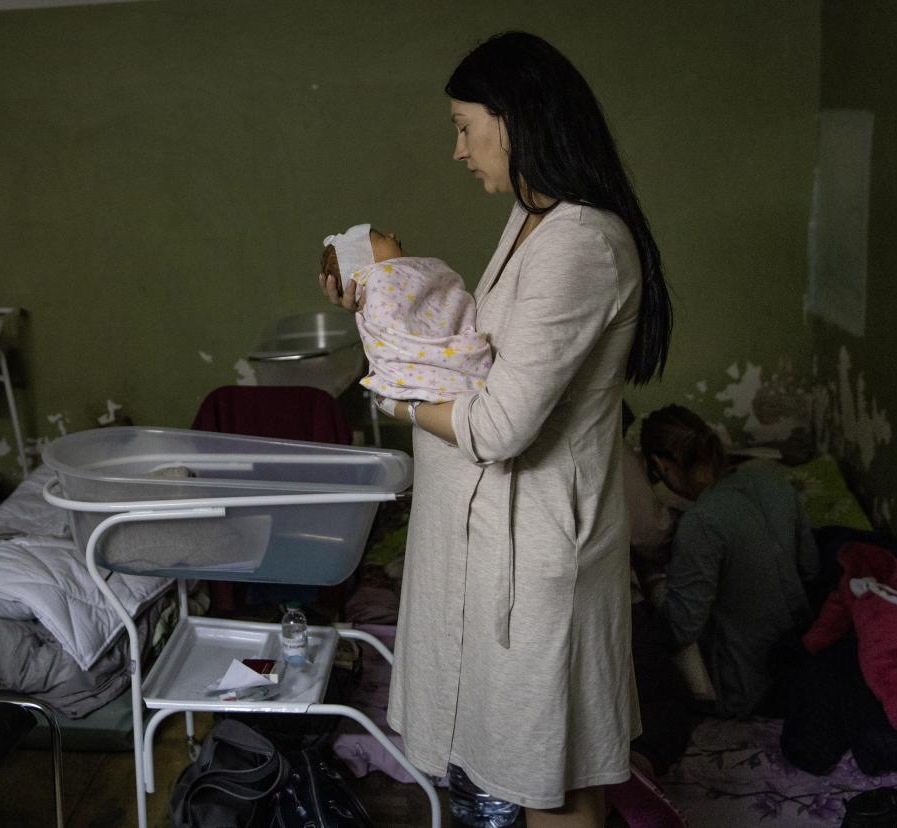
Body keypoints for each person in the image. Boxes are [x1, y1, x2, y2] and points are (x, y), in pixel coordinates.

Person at [319, 31, 672, 827]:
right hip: (492, 540)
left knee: (549, 778)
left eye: (463, 125)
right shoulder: (531, 221)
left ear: (514, 120)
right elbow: (476, 355)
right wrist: (382, 296)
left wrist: (389, 397)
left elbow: (499, 421)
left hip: (536, 551)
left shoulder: (581, 243)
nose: (456, 149)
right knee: (524, 766)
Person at [637, 404, 818, 720]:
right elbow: (810, 567)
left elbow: (680, 627)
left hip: (748, 688)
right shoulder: (770, 474)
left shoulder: (701, 523)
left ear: (662, 466)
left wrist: (653, 580)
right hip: (803, 660)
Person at [320, 223, 492, 402]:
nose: (392, 235)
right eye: (381, 238)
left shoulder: (407, 276)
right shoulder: (381, 280)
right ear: (366, 266)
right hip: (437, 375)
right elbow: (394, 334)